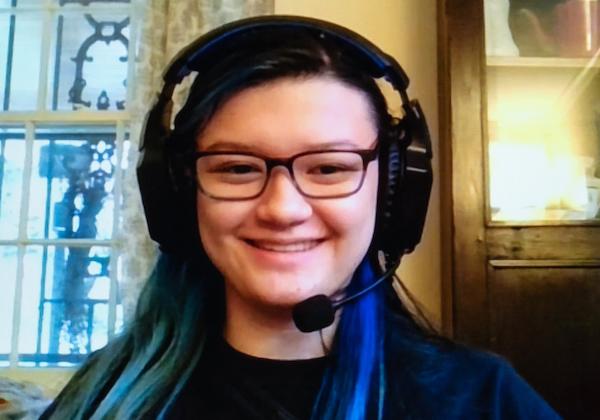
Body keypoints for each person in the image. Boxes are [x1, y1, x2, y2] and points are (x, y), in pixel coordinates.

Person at [41, 16, 561, 420]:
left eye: (330, 167)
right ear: (179, 192)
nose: (283, 209)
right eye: (238, 168)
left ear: (393, 192)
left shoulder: (481, 398)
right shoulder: (104, 398)